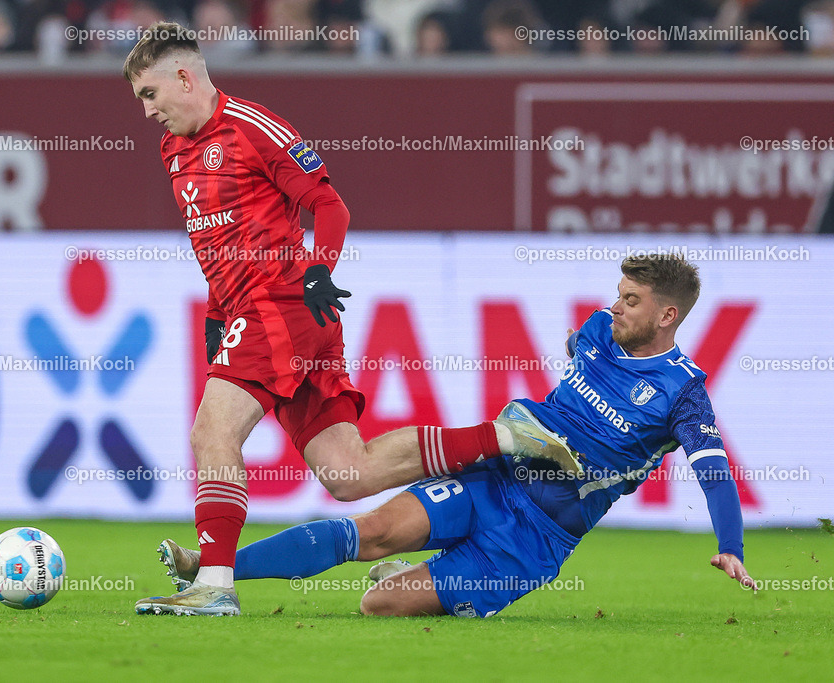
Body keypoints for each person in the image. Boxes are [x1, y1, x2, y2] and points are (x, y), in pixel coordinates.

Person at [123, 22, 583, 616]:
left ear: (185, 77)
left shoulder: (252, 127)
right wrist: (218, 316)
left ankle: (214, 584)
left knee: (212, 433)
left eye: (150, 94)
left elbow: (328, 204)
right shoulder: (174, 150)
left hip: (285, 303)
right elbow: (214, 244)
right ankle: (506, 436)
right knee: (350, 473)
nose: (147, 111)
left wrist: (318, 273)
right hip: (250, 310)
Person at [152, 255, 758, 617]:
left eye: (632, 300)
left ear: (668, 316)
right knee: (375, 531)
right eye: (618, 294)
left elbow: (713, 472)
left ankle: (414, 579)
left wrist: (730, 543)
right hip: (497, 478)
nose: (615, 306)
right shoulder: (600, 329)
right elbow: (578, 350)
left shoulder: (684, 392)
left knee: (378, 606)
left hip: (535, 540)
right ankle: (212, 568)